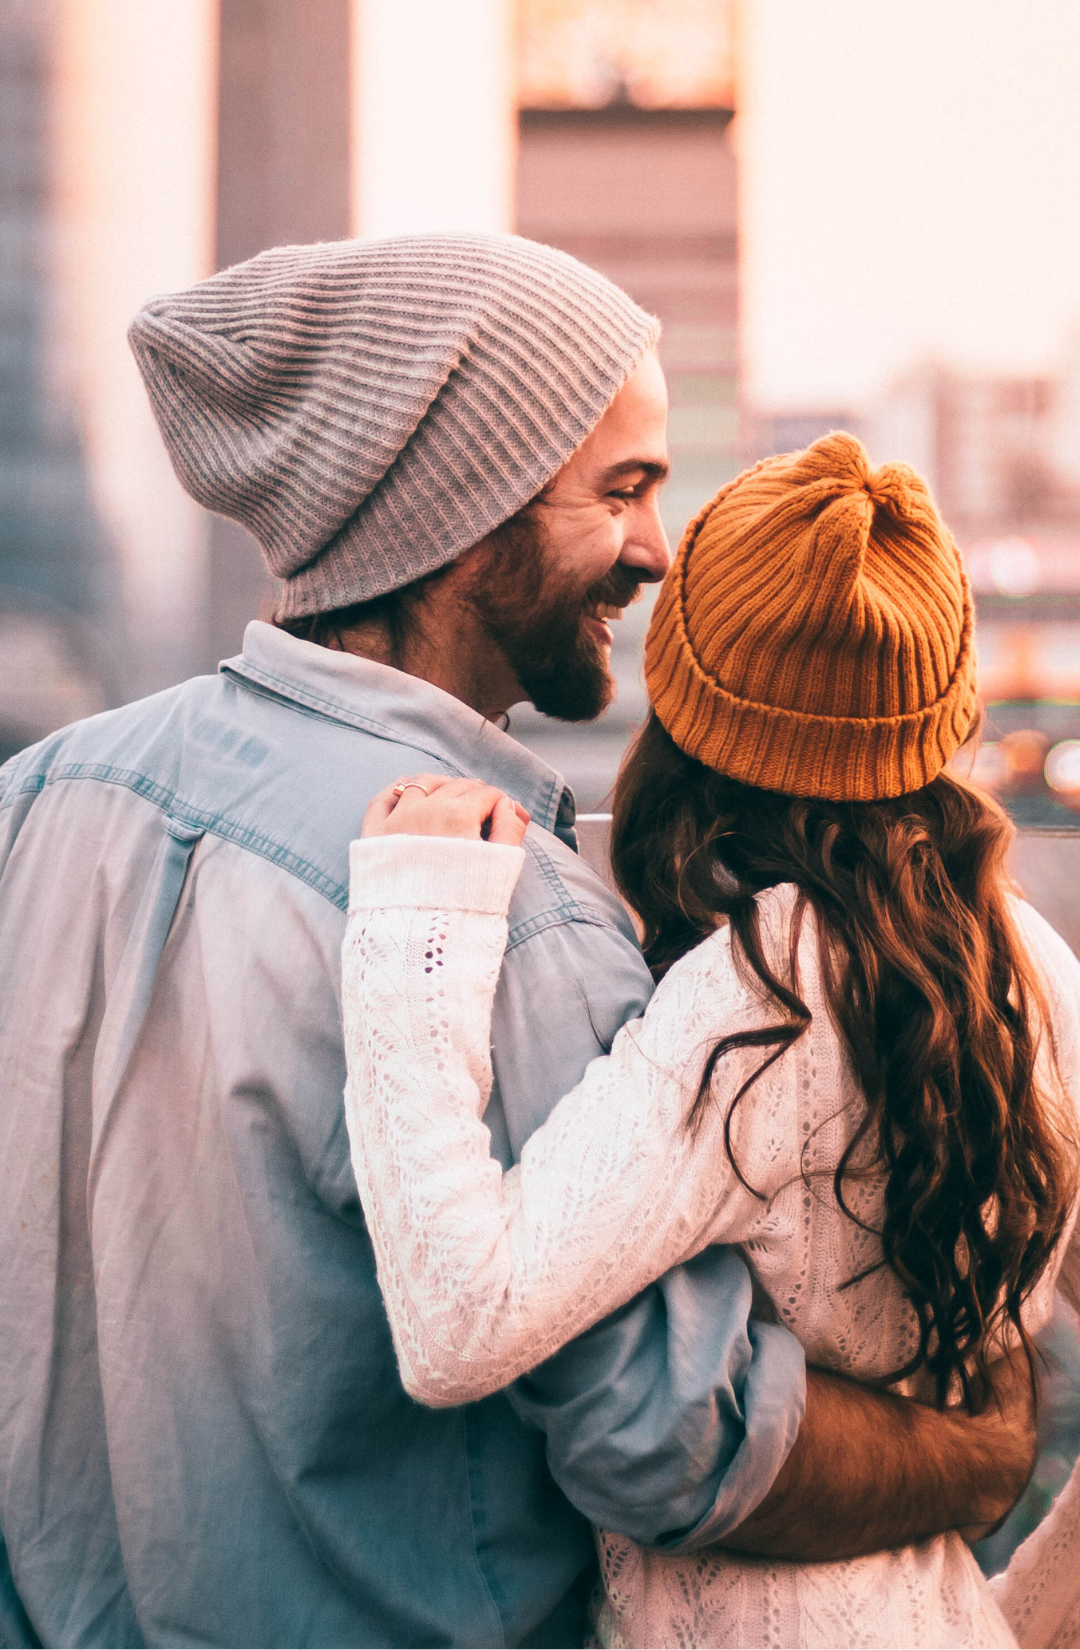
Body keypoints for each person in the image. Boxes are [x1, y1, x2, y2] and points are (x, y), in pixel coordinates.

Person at [0, 238, 1028, 1649]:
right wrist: (971, 1454)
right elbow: (666, 1437)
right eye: (622, 490)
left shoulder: (39, 803)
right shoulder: (506, 918)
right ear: (467, 516)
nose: (661, 550)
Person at [341, 432, 1080, 1649]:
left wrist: (417, 920)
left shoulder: (766, 988)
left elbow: (457, 1323)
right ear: (941, 710)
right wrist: (1000, 1620)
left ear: (685, 704)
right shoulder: (1025, 961)